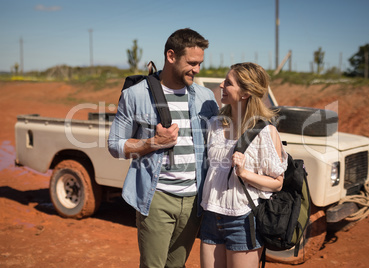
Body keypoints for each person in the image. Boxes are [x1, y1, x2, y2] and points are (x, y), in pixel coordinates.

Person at [108, 28, 219, 268]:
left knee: (176, 265)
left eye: (200, 63)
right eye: (192, 63)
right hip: (157, 198)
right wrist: (152, 143)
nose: (197, 70)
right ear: (171, 56)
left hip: (194, 201)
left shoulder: (206, 97)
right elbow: (114, 145)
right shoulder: (135, 95)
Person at [199, 62, 288, 268]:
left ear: (246, 92)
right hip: (211, 216)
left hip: (243, 220)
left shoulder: (266, 132)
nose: (221, 85)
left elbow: (277, 183)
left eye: (228, 83)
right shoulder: (214, 124)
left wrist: (244, 173)